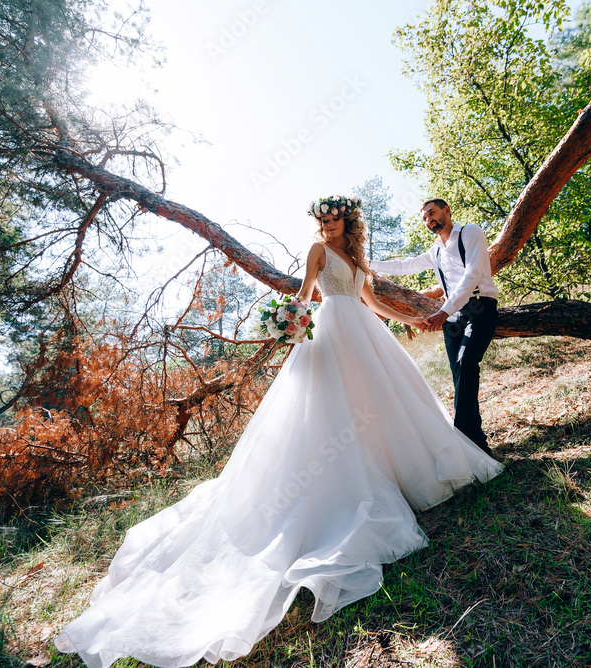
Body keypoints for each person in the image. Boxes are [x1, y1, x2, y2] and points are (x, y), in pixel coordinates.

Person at [54, 195, 503, 668]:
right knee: (339, 412)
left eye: (333, 220)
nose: (327, 226)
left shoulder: (355, 256)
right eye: (321, 221)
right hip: (331, 332)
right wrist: (291, 320)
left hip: (365, 333)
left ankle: (398, 469)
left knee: (385, 399)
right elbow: (307, 293)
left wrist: (412, 318)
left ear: (347, 221)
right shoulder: (317, 250)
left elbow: (370, 301)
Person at [370, 198, 500, 460]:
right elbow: (403, 266)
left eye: (432, 213)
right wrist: (365, 263)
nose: (428, 219)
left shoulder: (470, 232)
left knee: (465, 365)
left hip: (479, 306)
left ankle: (463, 437)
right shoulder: (435, 251)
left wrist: (443, 311)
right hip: (454, 316)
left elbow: (472, 274)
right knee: (459, 377)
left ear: (446, 211)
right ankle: (478, 444)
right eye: (424, 217)